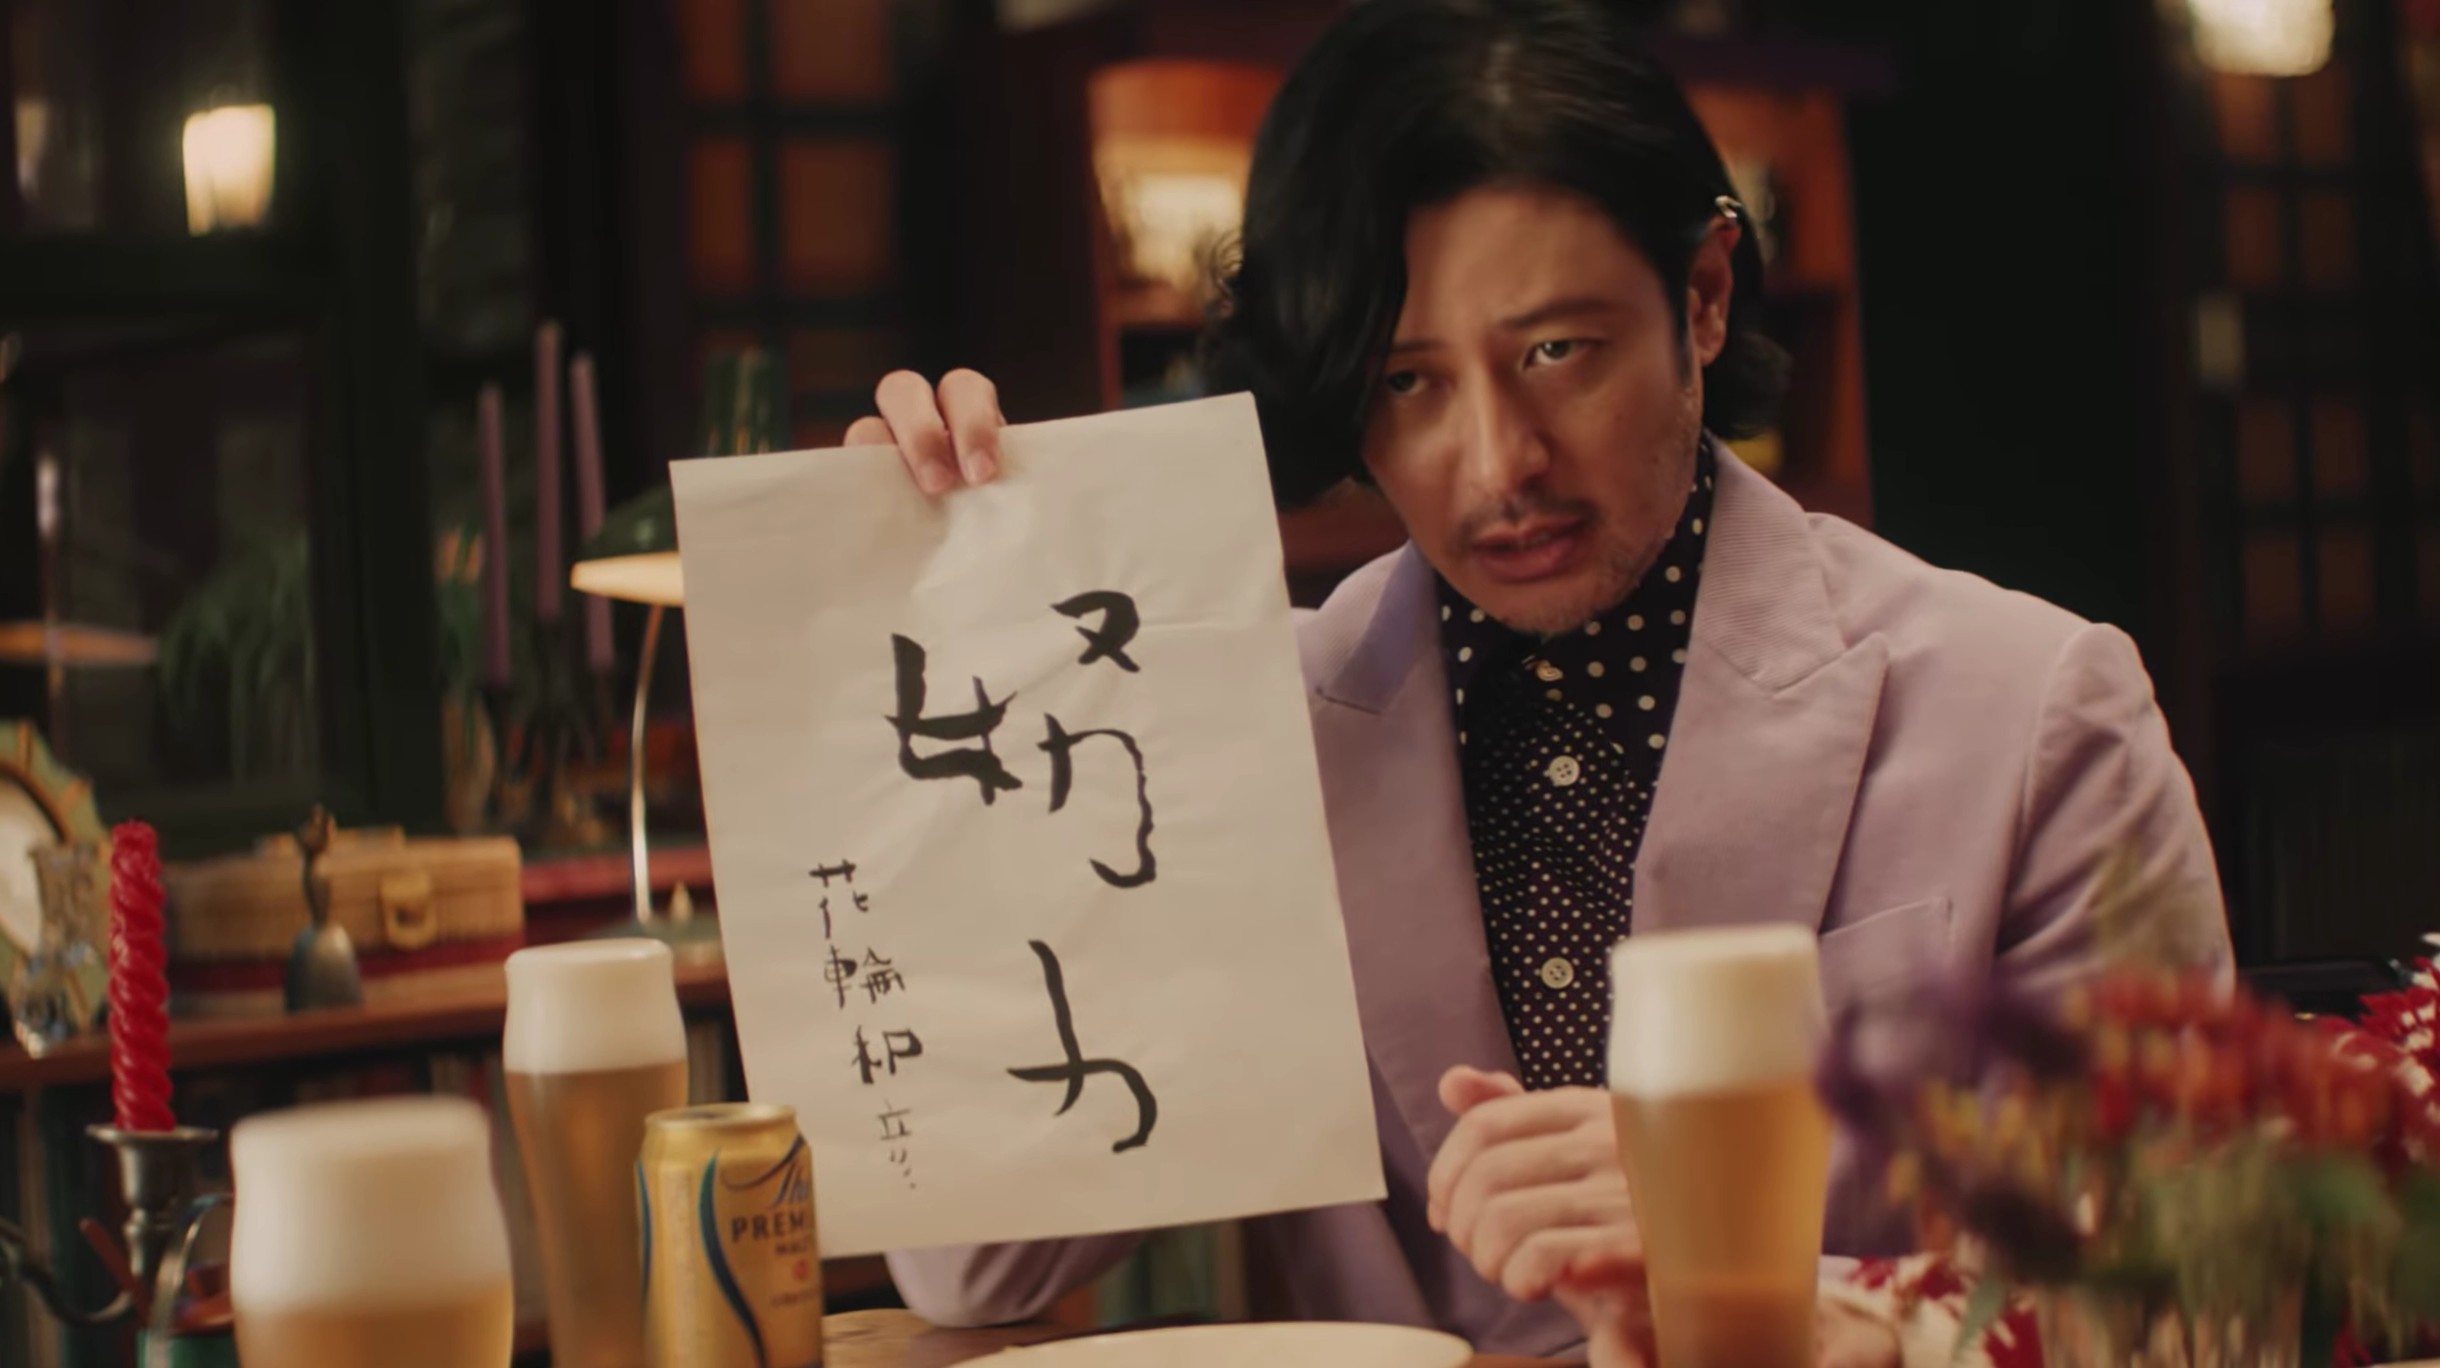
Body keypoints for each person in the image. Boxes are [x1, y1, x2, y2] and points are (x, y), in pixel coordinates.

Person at [850, 0, 2232, 1361]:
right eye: (1407, 382)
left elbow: (2195, 1293)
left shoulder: (2032, 709)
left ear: (1703, 294)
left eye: (1555, 352)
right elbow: (975, 1260)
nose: (1498, 463)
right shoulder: (1245, 733)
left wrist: (1740, 1240)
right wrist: (961, 657)